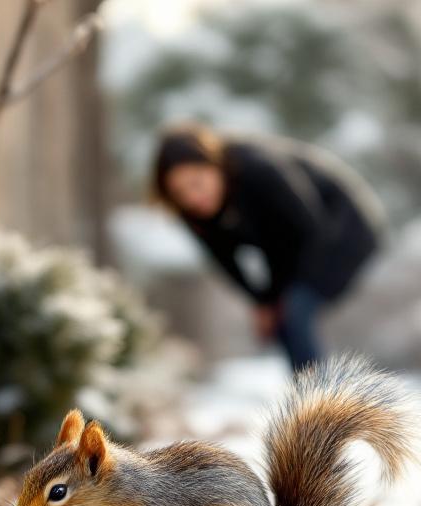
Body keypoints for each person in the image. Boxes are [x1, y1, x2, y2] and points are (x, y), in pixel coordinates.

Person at [152, 123, 384, 371]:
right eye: (180, 192)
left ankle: (326, 400)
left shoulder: (256, 168)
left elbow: (304, 229)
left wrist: (275, 296)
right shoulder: (192, 210)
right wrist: (261, 302)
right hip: (296, 246)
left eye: (197, 183)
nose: (192, 198)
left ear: (215, 166)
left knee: (295, 310)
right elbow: (225, 260)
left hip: (343, 227)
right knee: (281, 318)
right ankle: (309, 395)